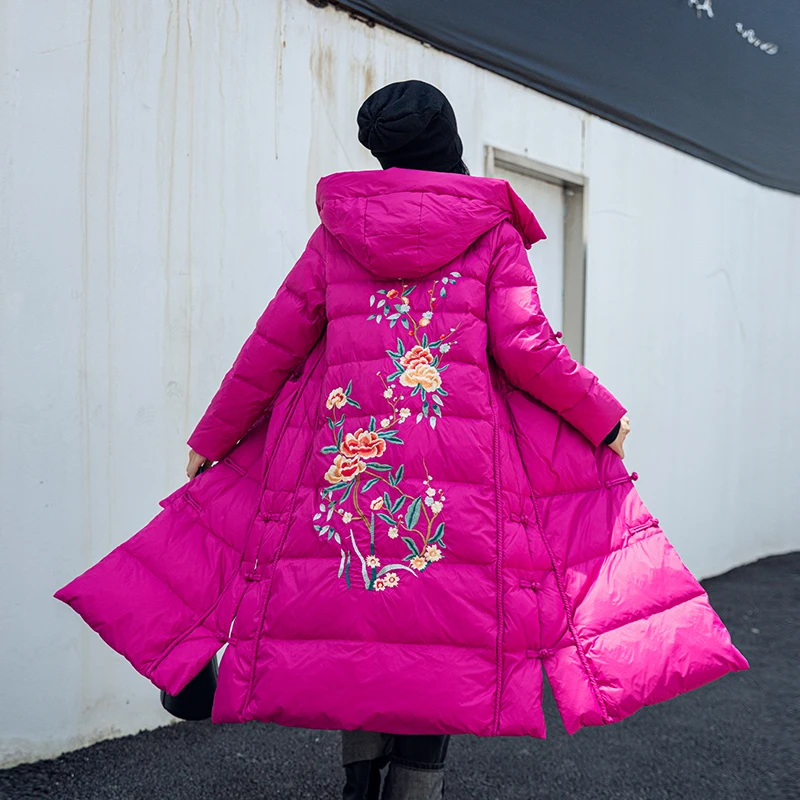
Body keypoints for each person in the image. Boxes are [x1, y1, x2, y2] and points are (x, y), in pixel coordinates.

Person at [57, 80, 747, 800]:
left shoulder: (337, 234)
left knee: (364, 622)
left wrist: (215, 433)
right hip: (459, 479)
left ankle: (359, 783)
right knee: (439, 633)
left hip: (352, 471)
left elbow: (274, 344)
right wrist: (603, 414)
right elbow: (526, 347)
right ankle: (416, 789)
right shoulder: (490, 232)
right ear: (446, 143)